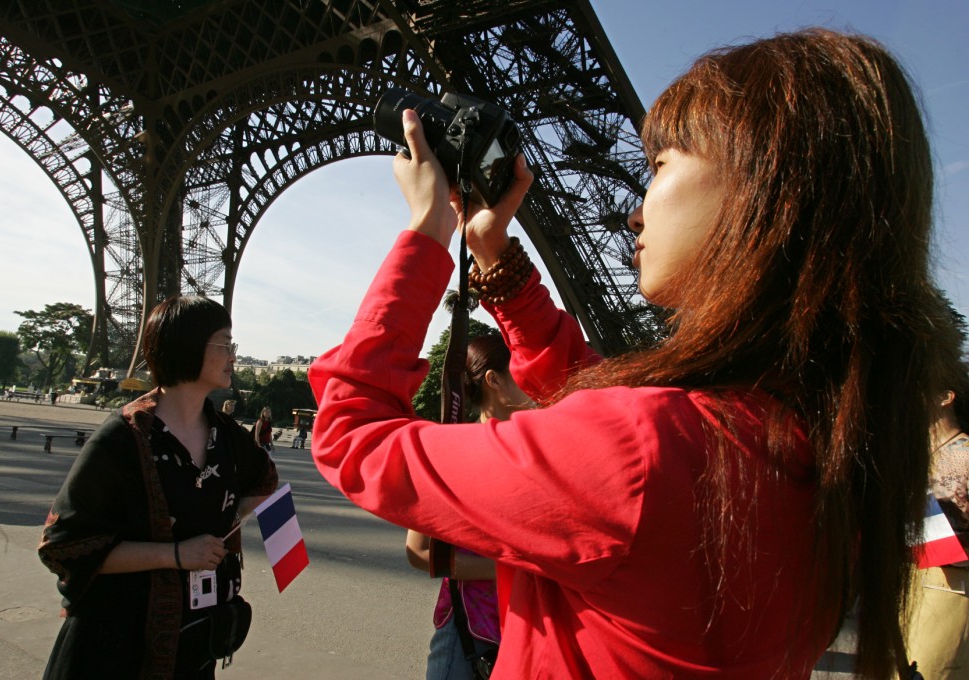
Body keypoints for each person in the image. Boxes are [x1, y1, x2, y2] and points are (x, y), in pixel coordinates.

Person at [308, 29, 957, 679]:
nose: (634, 214)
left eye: (661, 166)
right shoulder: (810, 448)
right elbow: (623, 423)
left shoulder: (644, 455)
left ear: (767, 190)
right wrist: (496, 257)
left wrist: (427, 234)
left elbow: (351, 436)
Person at [38, 295, 278, 679]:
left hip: (194, 645)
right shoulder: (121, 439)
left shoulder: (229, 436)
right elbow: (65, 547)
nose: (233, 355)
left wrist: (225, 523)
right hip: (113, 650)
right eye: (225, 343)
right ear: (187, 344)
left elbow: (265, 481)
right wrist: (177, 554)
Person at [406, 334, 534, 680]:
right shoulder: (451, 452)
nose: (537, 380)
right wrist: (512, 569)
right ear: (494, 381)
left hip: (534, 628)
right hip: (473, 632)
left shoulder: (543, 451)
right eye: (523, 371)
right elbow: (418, 551)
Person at [905, 362, 969, 678]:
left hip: (950, 597)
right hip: (919, 592)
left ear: (946, 396)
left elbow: (953, 542)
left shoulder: (961, 454)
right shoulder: (928, 453)